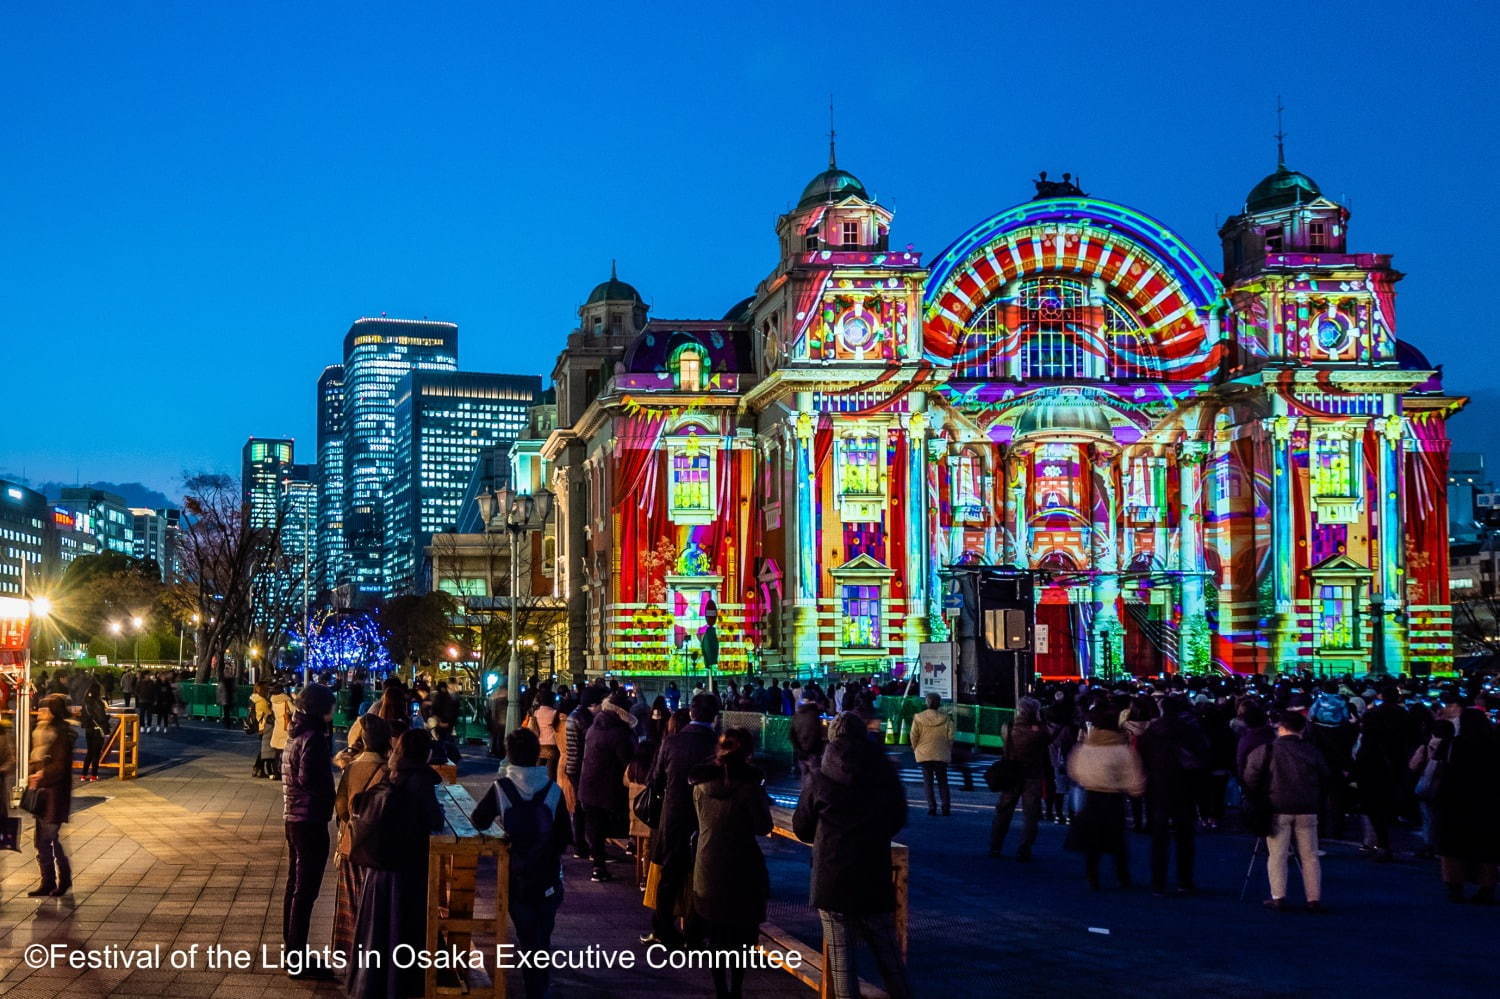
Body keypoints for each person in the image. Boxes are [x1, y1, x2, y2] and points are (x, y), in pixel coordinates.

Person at [793, 712, 910, 999]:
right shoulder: (883, 773)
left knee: (842, 963)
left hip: (832, 876)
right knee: (888, 954)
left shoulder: (820, 776)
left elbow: (802, 827)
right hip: (873, 869)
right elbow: (898, 817)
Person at [471, 727, 571, 999]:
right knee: (542, 934)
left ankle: (534, 986)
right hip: (548, 875)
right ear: (537, 753)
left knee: (527, 935)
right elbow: (565, 836)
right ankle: (539, 985)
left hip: (516, 874)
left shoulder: (501, 788)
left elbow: (478, 820)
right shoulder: (553, 789)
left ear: (509, 754)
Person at [346, 728, 445, 998]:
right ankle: (397, 986)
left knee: (375, 931)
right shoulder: (421, 780)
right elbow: (434, 820)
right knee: (400, 930)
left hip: (378, 870)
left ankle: (367, 985)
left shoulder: (392, 773)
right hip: (406, 870)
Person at [689, 728, 773, 999]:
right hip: (743, 868)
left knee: (716, 935)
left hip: (708, 865)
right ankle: (736, 988)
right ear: (747, 752)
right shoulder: (750, 787)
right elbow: (763, 826)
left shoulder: (700, 785)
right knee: (742, 937)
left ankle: (720, 990)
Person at [643, 692, 721, 946]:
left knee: (671, 875)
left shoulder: (671, 742)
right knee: (703, 875)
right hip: (707, 819)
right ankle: (696, 932)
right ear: (715, 717)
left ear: (691, 713)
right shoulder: (717, 744)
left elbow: (655, 779)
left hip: (674, 816)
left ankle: (664, 928)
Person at [1243, 710, 1329, 913]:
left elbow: (1250, 777)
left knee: (1277, 854)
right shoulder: (1312, 751)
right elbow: (1325, 777)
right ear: (1302, 729)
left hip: (1276, 806)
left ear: (1280, 727)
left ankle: (1278, 896)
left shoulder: (1266, 751)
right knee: (1310, 855)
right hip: (1307, 807)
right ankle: (1313, 898)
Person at [282, 683, 337, 975]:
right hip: (309, 820)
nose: (334, 709)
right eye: (331, 704)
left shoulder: (296, 732)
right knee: (305, 891)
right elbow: (309, 778)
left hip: (293, 817)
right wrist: (332, 797)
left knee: (295, 887)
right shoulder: (313, 737)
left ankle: (293, 950)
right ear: (321, 707)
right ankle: (296, 959)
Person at [332, 714, 391, 964]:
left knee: (351, 905)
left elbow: (341, 808)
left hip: (351, 846)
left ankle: (351, 956)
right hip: (379, 851)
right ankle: (373, 955)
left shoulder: (352, 768)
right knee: (376, 909)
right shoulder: (388, 771)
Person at [1065, 707, 1145, 890]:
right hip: (1114, 797)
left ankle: (1092, 875)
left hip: (1092, 795)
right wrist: (1135, 790)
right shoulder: (1121, 748)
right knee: (1117, 840)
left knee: (1092, 840)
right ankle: (1122, 876)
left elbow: (1075, 770)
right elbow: (1133, 776)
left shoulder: (1086, 746)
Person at [1136, 696, 1209, 895]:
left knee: (1159, 837)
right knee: (1185, 836)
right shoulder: (1189, 731)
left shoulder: (1151, 732)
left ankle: (1158, 882)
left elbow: (1141, 758)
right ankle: (1184, 880)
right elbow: (1202, 756)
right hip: (1184, 785)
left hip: (1158, 786)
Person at [1432, 708, 1500, 903]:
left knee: (1452, 846)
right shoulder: (1494, 744)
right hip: (1488, 801)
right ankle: (1487, 887)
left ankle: (1455, 886)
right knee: (1487, 847)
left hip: (1455, 800)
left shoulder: (1454, 743)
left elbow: (1439, 767)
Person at [576, 691, 635, 882]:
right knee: (610, 822)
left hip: (589, 784)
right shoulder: (619, 732)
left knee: (595, 825)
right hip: (607, 786)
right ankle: (622, 853)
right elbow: (627, 760)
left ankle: (597, 865)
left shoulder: (595, 727)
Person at [27, 693, 77, 896]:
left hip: (54, 793)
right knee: (41, 840)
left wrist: (42, 774)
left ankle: (63, 879)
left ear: (53, 712)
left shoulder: (61, 734)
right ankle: (47, 881)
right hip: (41, 793)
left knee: (50, 837)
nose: (39, 713)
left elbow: (60, 766)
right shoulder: (40, 731)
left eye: (44, 710)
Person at [991, 697, 1049, 860]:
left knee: (1004, 810)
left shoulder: (1009, 727)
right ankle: (1025, 847)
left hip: (1012, 771)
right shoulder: (1039, 730)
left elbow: (1004, 746)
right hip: (1033, 773)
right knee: (1030, 813)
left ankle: (995, 845)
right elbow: (1047, 741)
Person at [563, 689, 600, 855]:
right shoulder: (584, 719)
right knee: (584, 805)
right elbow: (588, 744)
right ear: (593, 704)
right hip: (579, 766)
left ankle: (580, 842)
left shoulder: (574, 715)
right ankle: (582, 843)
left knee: (579, 804)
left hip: (572, 764)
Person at [908, 693, 955, 817]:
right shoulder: (946, 718)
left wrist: (916, 748)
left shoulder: (918, 718)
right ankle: (946, 808)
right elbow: (951, 737)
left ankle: (932, 807)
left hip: (924, 753)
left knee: (927, 782)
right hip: (941, 753)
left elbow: (913, 736)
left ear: (927, 703)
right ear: (939, 703)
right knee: (943, 782)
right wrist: (947, 749)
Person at [525, 688, 565, 782]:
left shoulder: (535, 713)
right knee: (551, 775)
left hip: (539, 745)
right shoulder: (555, 713)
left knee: (538, 773)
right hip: (552, 747)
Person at [80, 682, 112, 782]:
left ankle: (83, 775)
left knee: (89, 752)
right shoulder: (98, 703)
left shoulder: (85, 702)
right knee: (96, 753)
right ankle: (94, 775)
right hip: (97, 730)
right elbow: (101, 718)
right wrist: (108, 717)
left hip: (88, 730)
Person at [790, 695, 826, 781]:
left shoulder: (797, 714)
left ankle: (804, 791)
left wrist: (798, 746)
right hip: (812, 750)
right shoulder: (814, 715)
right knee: (814, 774)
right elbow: (815, 733)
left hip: (800, 749)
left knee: (804, 773)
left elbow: (792, 732)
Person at [268, 683, 294, 780]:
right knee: (285, 753)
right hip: (285, 728)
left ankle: (275, 772)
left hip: (277, 727)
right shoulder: (286, 700)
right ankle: (284, 772)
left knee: (277, 753)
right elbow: (293, 710)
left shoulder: (273, 701)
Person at [250, 682, 275, 778]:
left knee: (262, 750)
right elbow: (269, 713)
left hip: (259, 727)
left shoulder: (253, 699)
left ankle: (258, 769)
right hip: (264, 727)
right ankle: (257, 768)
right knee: (264, 751)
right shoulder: (262, 701)